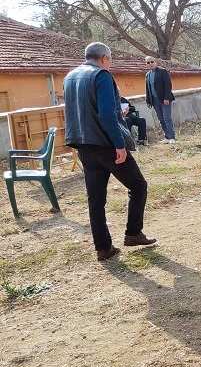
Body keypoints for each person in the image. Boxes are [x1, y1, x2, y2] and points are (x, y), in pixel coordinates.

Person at [64, 42, 156, 261]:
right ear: (104, 58)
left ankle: (103, 248)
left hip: (84, 145)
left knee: (96, 200)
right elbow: (107, 114)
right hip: (106, 145)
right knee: (138, 185)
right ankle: (133, 233)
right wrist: (119, 144)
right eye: (110, 59)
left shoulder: (70, 77)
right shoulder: (101, 76)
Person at [144, 56, 176, 144]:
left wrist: (166, 98)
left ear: (155, 62)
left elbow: (168, 85)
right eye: (148, 62)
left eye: (152, 61)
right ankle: (167, 137)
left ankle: (172, 137)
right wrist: (148, 101)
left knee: (167, 118)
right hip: (154, 101)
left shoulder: (163, 71)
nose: (150, 64)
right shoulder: (147, 75)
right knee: (161, 119)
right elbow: (147, 89)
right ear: (146, 64)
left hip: (164, 100)